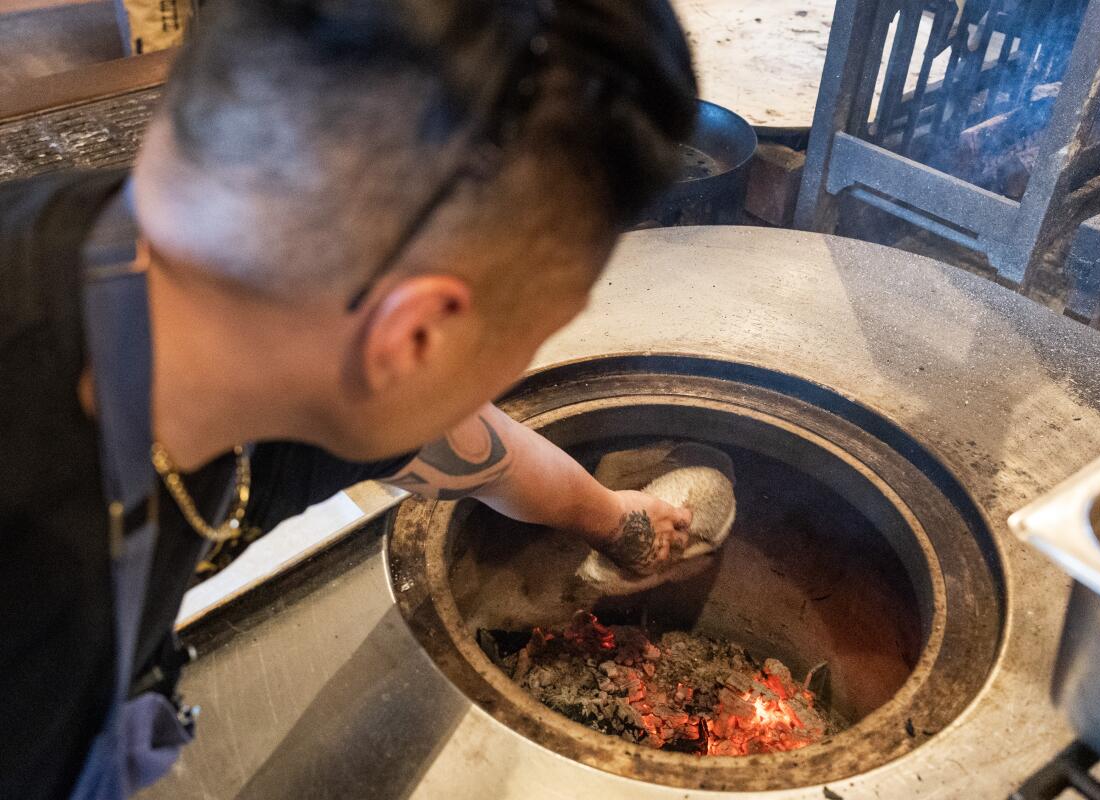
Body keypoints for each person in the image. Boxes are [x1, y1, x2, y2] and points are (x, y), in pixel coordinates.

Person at [0, 0, 698, 797]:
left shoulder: (208, 268)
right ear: (412, 341)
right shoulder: (36, 588)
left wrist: (616, 520)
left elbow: (470, 450)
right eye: (523, 341)